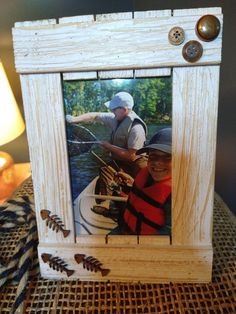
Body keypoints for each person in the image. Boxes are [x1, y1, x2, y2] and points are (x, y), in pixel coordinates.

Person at [66, 91, 147, 177]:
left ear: (123, 110)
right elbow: (95, 116)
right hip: (120, 162)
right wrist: (73, 119)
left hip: (135, 166)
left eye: (114, 109)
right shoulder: (115, 117)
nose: (111, 111)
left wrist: (109, 147)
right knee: (104, 171)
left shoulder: (137, 128)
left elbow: (132, 156)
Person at [119, 128, 172, 235]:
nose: (157, 162)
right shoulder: (146, 173)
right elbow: (142, 196)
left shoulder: (176, 194)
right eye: (153, 156)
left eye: (168, 157)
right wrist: (131, 181)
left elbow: (168, 235)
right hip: (126, 227)